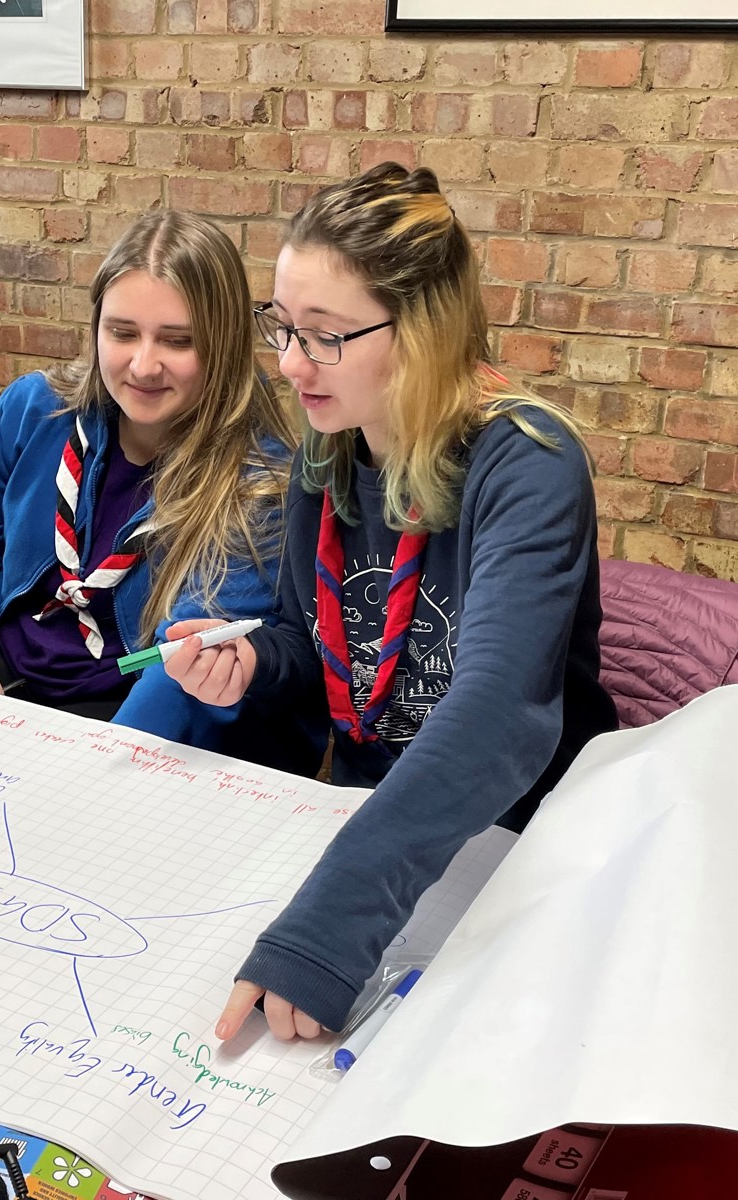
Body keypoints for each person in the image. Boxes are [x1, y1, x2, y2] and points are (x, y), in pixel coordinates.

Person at [162, 164, 618, 1040]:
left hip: (517, 839)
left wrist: (328, 931)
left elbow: (498, 717)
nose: (291, 365)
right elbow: (312, 639)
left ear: (423, 331)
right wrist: (255, 662)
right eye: (284, 328)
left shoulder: (527, 461)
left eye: (325, 336)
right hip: (375, 818)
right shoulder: (328, 451)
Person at [0, 209, 305, 763]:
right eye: (122, 333)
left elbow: (180, 668)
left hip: (125, 697)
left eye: (178, 340)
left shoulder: (258, 485)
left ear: (223, 346)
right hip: (5, 654)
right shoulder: (35, 407)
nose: (144, 365)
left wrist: (93, 770)